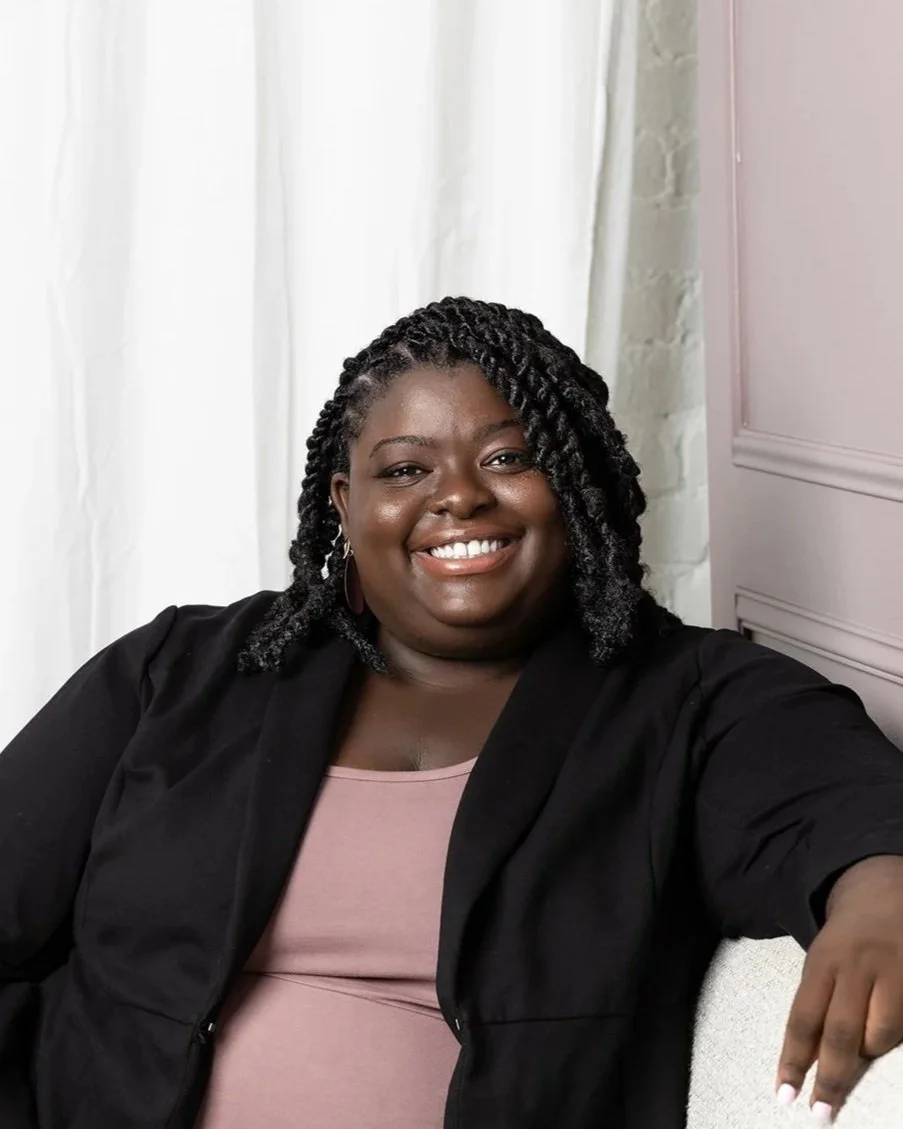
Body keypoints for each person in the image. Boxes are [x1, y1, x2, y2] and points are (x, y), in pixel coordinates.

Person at [2, 296, 903, 1129]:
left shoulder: (683, 701)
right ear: (347, 508)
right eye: (405, 468)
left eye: (509, 457)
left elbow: (835, 793)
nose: (459, 496)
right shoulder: (182, 671)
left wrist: (878, 894)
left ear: (575, 478)